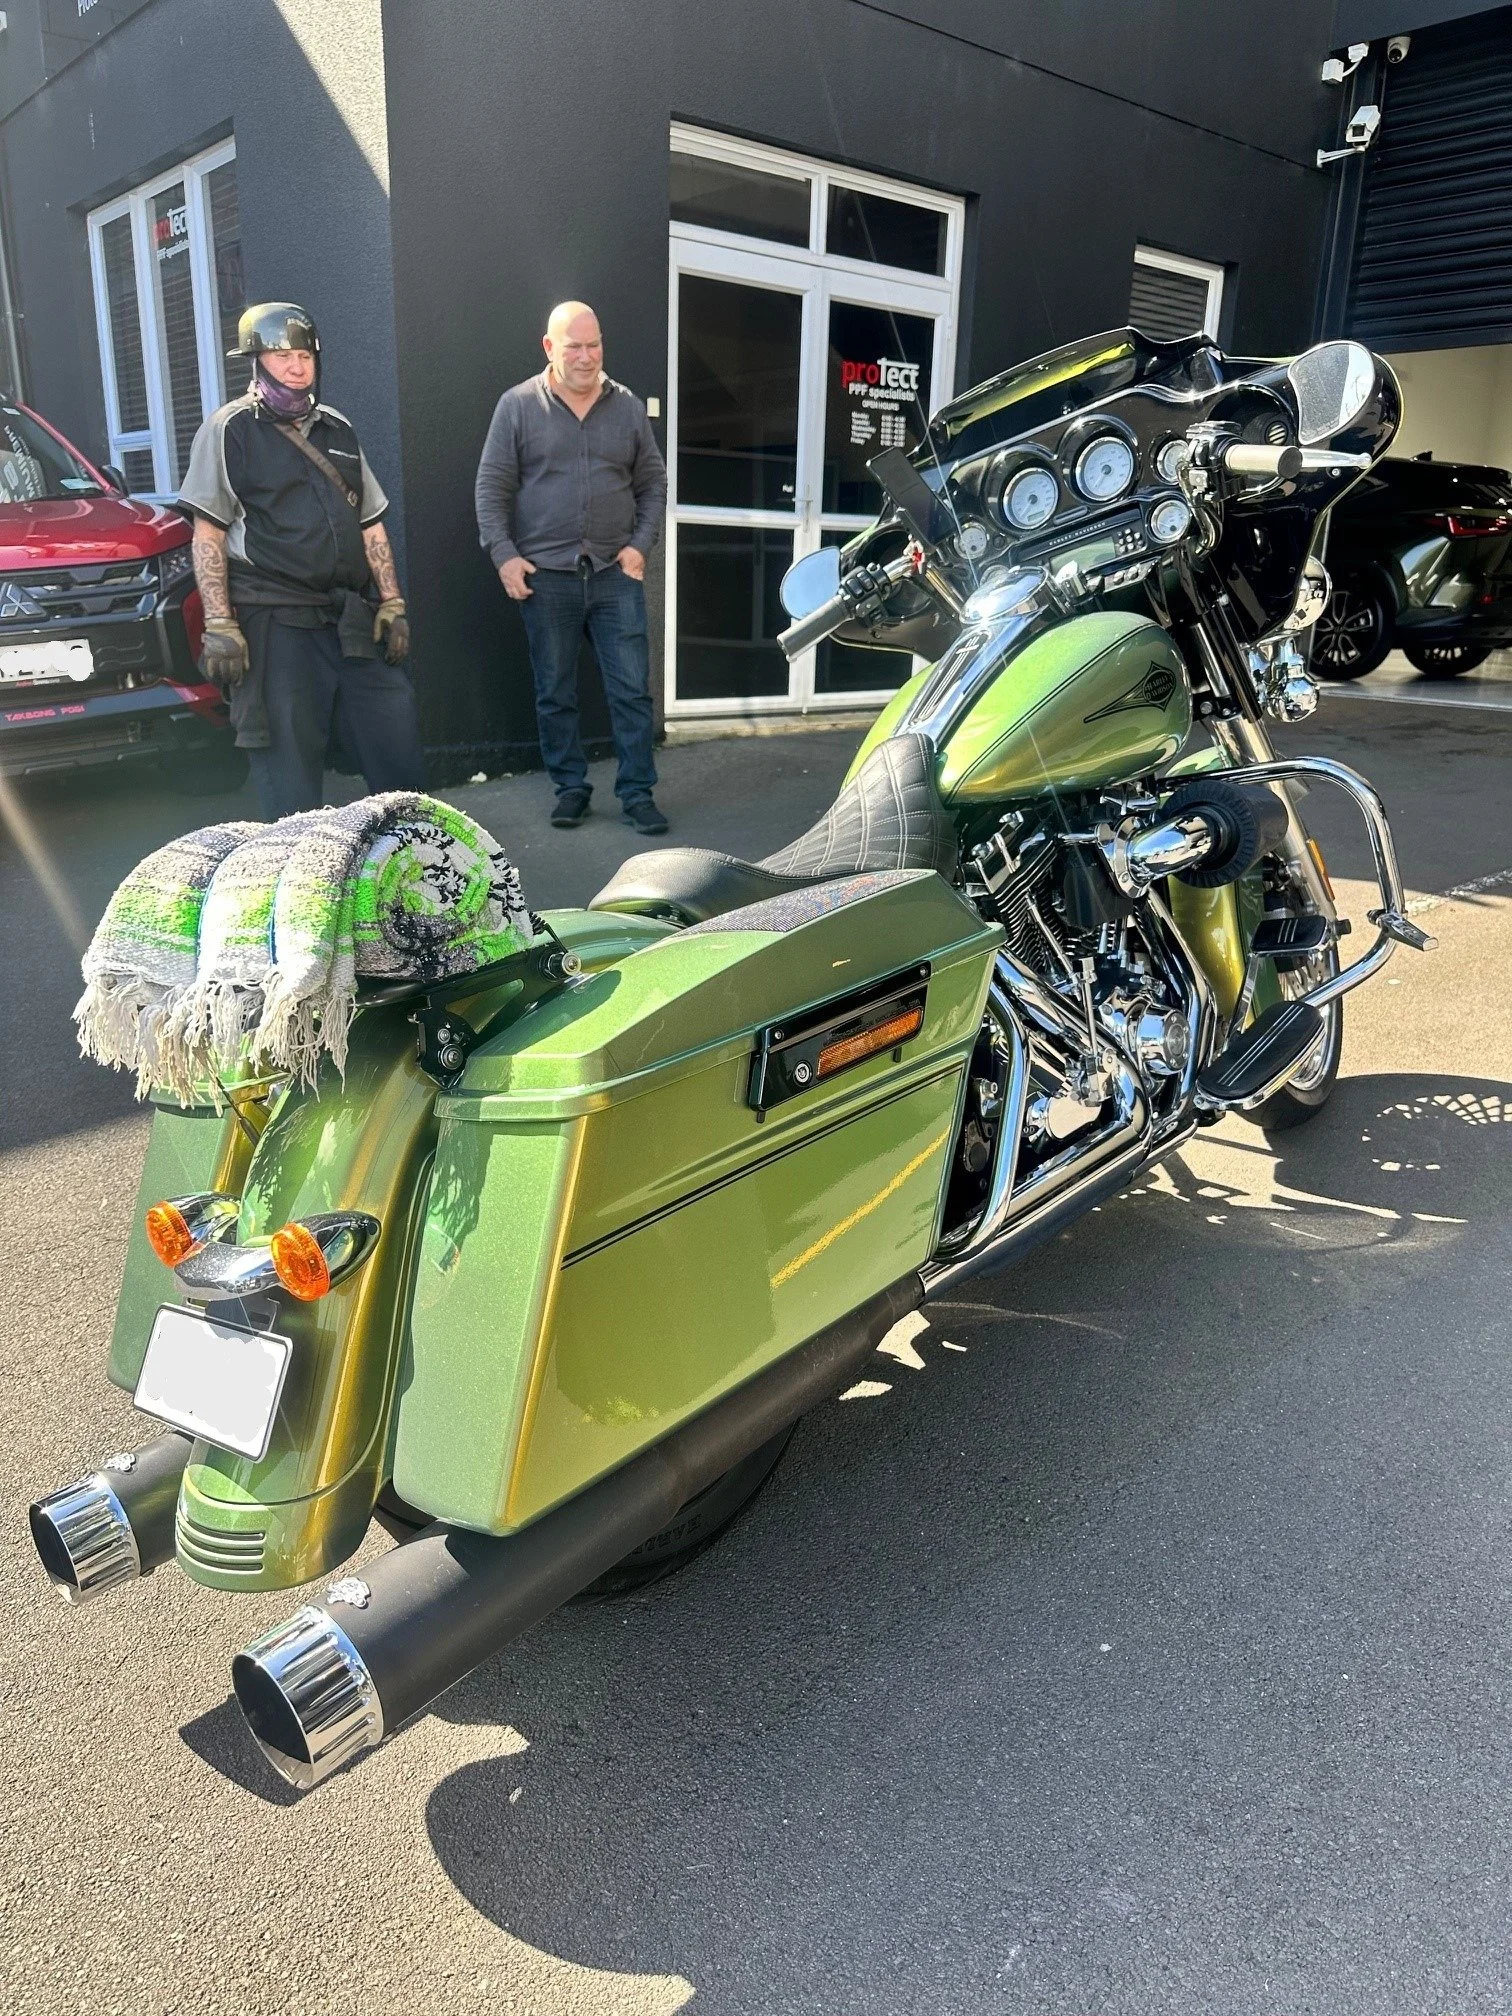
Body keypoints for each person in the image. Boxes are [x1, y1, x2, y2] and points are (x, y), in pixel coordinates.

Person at [179, 301, 422, 820]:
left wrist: (392, 602)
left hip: (348, 615)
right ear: (256, 361)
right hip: (275, 619)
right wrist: (219, 623)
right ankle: (294, 868)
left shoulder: (338, 429)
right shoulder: (229, 429)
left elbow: (370, 523)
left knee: (396, 744)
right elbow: (208, 534)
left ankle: (412, 860)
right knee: (290, 777)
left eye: (305, 356)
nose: (296, 367)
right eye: (283, 356)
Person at [475, 300, 669, 832]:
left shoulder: (627, 407)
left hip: (614, 574)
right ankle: (570, 789)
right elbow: (491, 486)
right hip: (547, 578)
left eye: (594, 344)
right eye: (574, 347)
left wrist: (640, 546)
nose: (586, 357)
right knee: (555, 692)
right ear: (549, 347)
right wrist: (504, 555)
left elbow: (653, 483)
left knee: (631, 692)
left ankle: (637, 793)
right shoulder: (517, 406)